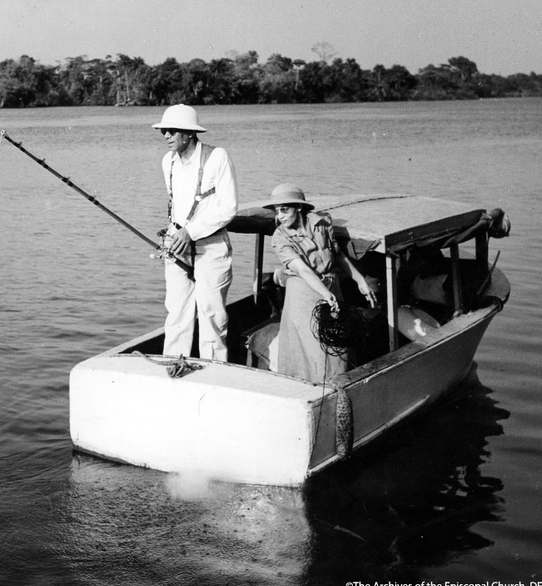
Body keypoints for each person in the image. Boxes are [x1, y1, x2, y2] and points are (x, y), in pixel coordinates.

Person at [263, 183, 376, 382]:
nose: (280, 216)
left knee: (338, 344)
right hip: (303, 294)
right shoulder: (279, 238)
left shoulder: (323, 223)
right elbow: (303, 270)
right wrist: (324, 292)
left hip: (332, 288)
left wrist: (360, 281)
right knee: (311, 347)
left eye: (284, 210)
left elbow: (338, 255)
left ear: (299, 208)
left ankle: (338, 387)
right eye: (277, 211)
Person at [152, 104, 238, 361]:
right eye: (163, 131)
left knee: (211, 317)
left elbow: (229, 207)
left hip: (211, 247)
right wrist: (171, 235)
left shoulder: (218, 157)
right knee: (177, 314)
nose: (166, 135)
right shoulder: (167, 161)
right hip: (178, 247)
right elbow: (178, 207)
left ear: (189, 133)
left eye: (171, 130)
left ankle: (214, 372)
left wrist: (190, 232)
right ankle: (173, 367)